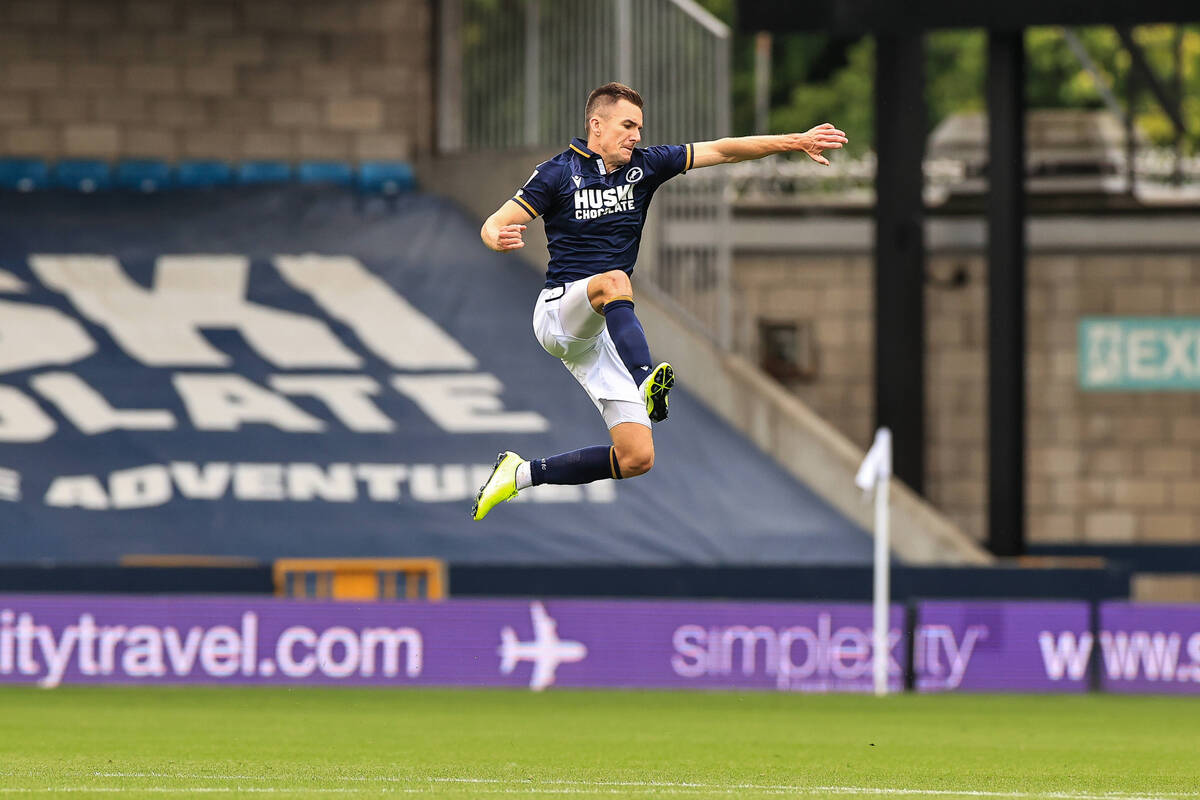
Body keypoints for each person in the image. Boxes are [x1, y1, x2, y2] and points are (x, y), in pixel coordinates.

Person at [472, 82, 847, 521]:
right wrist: (495, 237)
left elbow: (724, 151)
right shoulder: (557, 172)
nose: (636, 135)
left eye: (640, 128)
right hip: (559, 313)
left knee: (636, 457)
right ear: (597, 125)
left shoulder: (647, 166)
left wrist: (795, 141)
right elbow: (495, 222)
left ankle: (521, 475)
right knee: (612, 279)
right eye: (628, 125)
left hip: (598, 334)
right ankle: (646, 375)